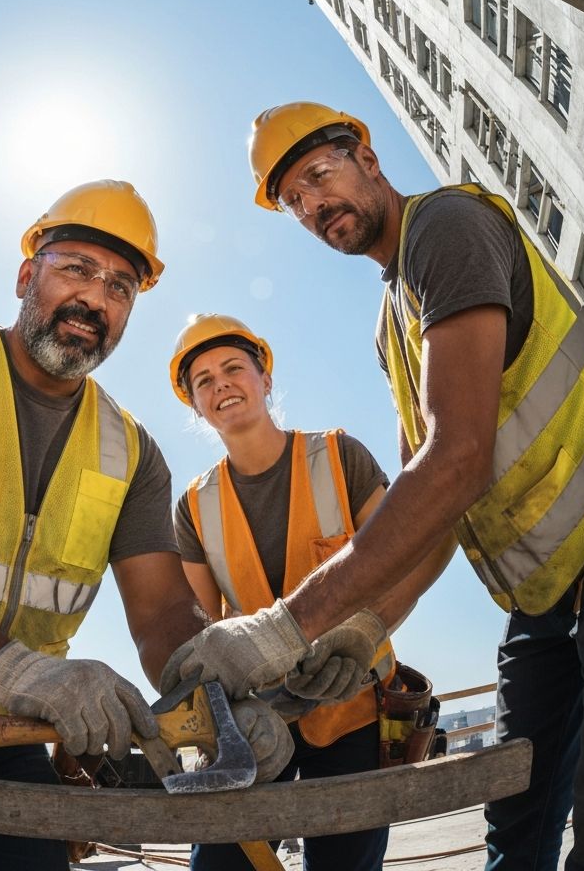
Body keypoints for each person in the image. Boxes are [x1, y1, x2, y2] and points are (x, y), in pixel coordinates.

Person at [162, 102, 584, 871]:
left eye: (320, 176)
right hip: (546, 595)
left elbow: (454, 460)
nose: (314, 205)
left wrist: (284, 628)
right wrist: (363, 632)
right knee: (517, 827)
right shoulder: (391, 320)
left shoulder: (447, 229)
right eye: (294, 200)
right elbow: (428, 513)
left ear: (367, 156)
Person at [0, 180, 293, 871]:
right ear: (25, 275)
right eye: (77, 269)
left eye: (122, 287)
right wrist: (12, 667)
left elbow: (161, 617)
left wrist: (216, 704)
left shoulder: (131, 451)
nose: (96, 299)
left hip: (9, 737)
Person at [169, 312, 403, 871]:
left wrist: (361, 633)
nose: (220, 383)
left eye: (232, 368)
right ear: (196, 406)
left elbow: (402, 558)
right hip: (254, 723)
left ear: (265, 378)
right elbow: (196, 628)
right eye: (203, 381)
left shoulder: (340, 456)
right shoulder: (193, 507)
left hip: (353, 708)